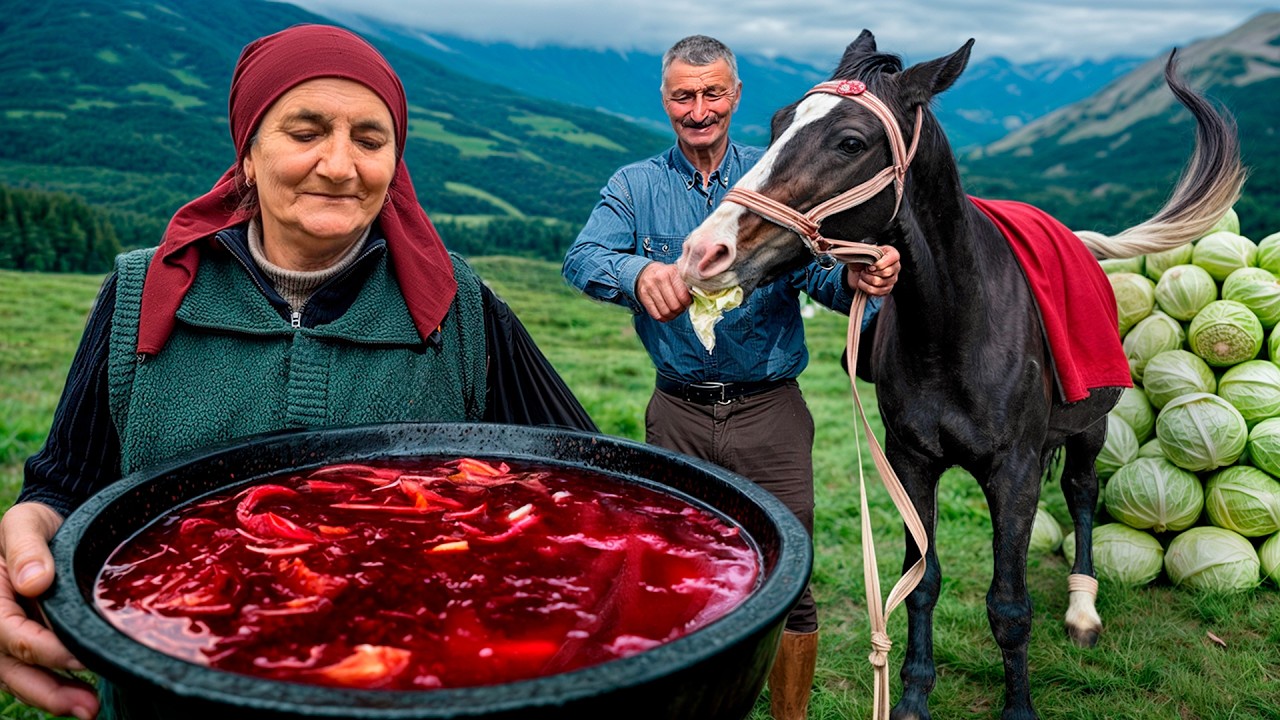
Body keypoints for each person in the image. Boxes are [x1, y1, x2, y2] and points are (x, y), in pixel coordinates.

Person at [0, 24, 596, 720]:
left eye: (370, 140)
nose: (341, 165)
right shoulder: (140, 297)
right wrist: (27, 541)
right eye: (305, 131)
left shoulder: (462, 310)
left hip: (410, 691)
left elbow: (581, 486)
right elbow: (68, 489)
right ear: (247, 154)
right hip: (176, 680)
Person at [561, 34, 900, 720]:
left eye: (713, 93)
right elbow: (583, 257)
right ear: (665, 101)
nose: (699, 110)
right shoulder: (635, 186)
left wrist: (864, 278)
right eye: (684, 95)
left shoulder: (773, 174)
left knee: (789, 578)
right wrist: (637, 273)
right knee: (679, 575)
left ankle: (789, 717)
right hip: (677, 415)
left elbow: (823, 279)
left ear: (735, 96)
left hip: (769, 415)